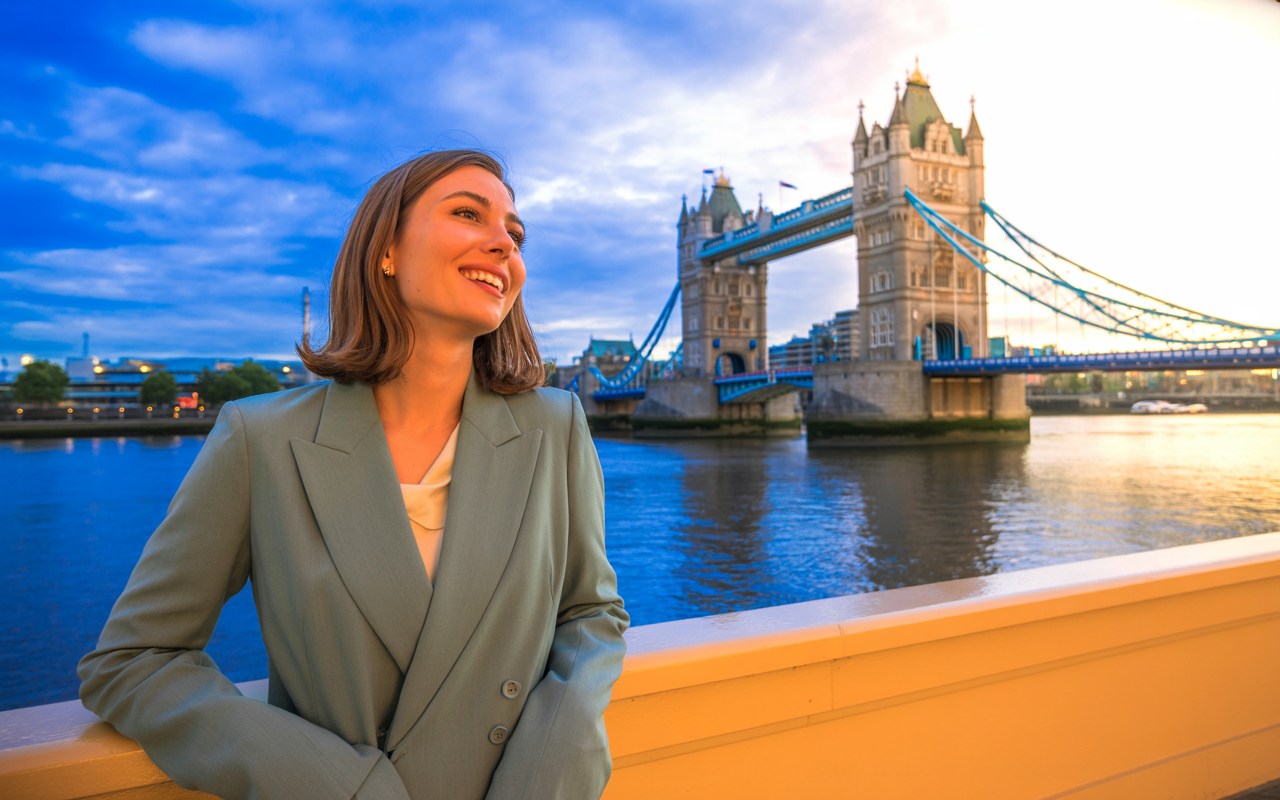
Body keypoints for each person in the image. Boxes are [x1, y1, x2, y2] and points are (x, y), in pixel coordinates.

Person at [78, 150, 629, 800]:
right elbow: (132, 660)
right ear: (385, 251)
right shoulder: (261, 440)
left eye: (515, 233)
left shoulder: (556, 426)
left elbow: (590, 612)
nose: (503, 244)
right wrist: (332, 782)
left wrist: (548, 770)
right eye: (467, 213)